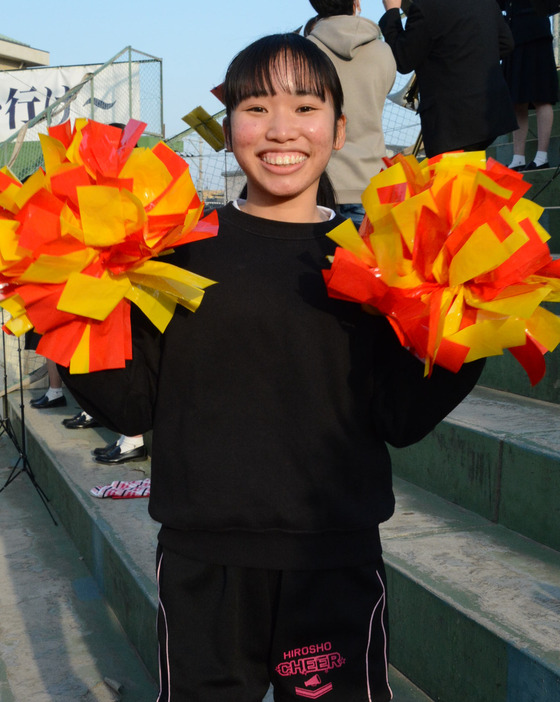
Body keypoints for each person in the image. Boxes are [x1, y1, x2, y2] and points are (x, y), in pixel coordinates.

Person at [60, 33, 483, 701]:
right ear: (227, 128)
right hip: (204, 560)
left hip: (333, 561)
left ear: (340, 129)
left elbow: (399, 417)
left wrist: (470, 325)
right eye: (255, 107)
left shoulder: (374, 258)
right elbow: (131, 406)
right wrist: (64, 308)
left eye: (306, 107)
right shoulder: (180, 252)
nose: (281, 128)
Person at [379, 0, 518, 158]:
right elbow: (507, 43)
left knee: (452, 180)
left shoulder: (425, 7)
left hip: (450, 124)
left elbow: (403, 60)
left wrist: (392, 11)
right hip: (489, 115)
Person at [307, 0, 396, 228]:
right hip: (370, 181)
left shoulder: (304, 53)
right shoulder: (383, 51)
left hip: (319, 184)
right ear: (356, 3)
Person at [499, 0, 558, 171]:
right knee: (517, 101)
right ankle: (518, 158)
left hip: (535, 33)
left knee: (541, 97)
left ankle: (542, 156)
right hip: (514, 36)